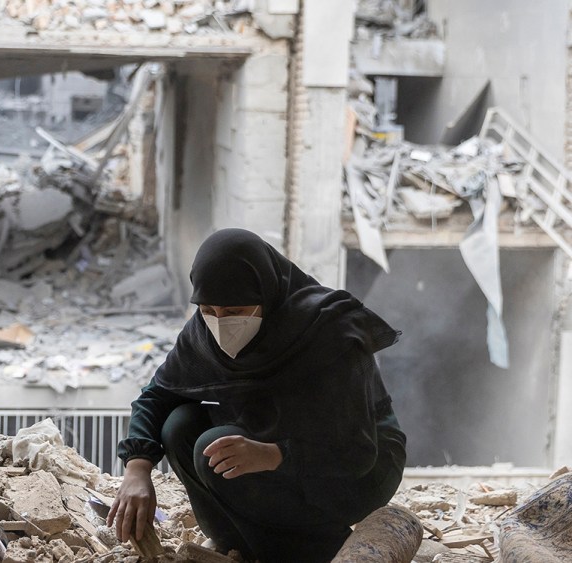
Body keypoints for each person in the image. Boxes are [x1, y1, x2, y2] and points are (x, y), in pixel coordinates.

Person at [106, 229, 406, 563]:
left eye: (235, 311)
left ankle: (315, 546)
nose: (220, 324)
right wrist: (137, 468)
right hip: (271, 436)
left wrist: (276, 455)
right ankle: (239, 542)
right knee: (179, 424)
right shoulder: (203, 332)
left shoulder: (329, 331)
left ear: (267, 293)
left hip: (361, 466)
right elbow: (156, 396)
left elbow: (357, 451)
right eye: (208, 309)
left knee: (216, 446)